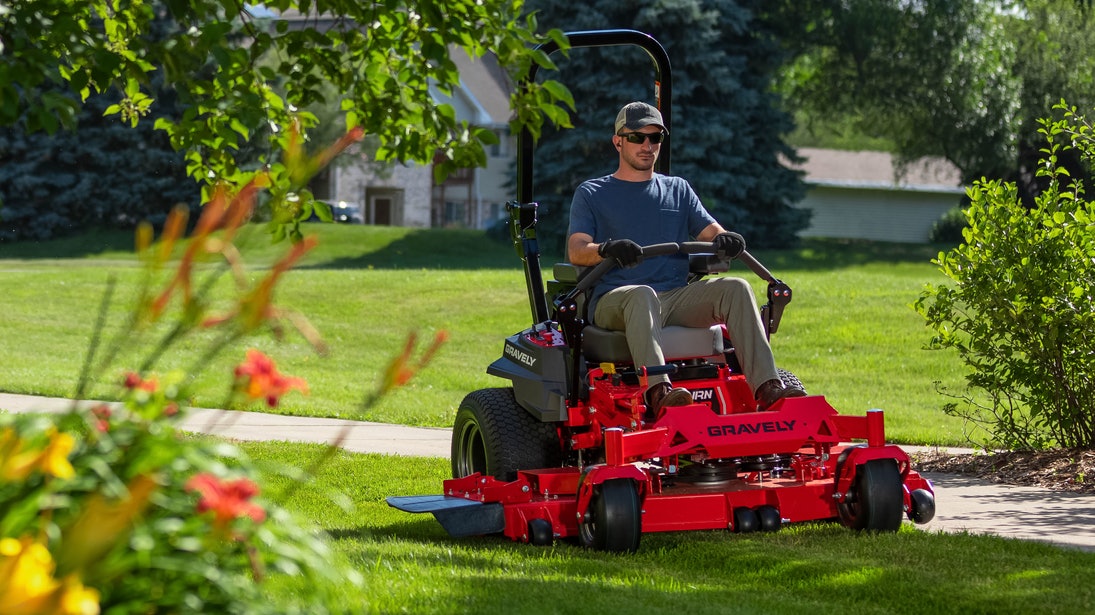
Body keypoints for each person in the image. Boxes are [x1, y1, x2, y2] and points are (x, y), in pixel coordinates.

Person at [567, 101, 805, 418]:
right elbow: (577, 250)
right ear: (618, 141)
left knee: (736, 287)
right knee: (642, 295)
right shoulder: (592, 192)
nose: (647, 145)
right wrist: (606, 249)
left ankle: (768, 388)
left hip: (674, 296)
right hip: (616, 300)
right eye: (637, 137)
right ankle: (659, 393)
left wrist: (725, 238)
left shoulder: (677, 189)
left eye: (655, 138)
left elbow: (711, 231)